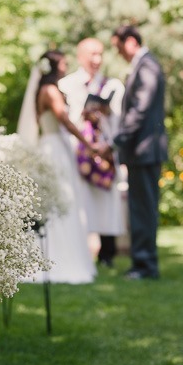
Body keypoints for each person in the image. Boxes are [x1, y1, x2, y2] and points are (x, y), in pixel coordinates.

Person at [17, 50, 96, 283]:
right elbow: (63, 119)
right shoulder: (50, 90)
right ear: (52, 66)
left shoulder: (49, 90)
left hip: (57, 146)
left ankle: (64, 256)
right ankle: (57, 260)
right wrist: (88, 144)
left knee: (65, 200)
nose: (66, 65)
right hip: (53, 148)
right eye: (63, 62)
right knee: (59, 201)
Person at [105, 25, 168, 280]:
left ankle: (145, 266)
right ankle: (142, 263)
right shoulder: (143, 66)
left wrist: (115, 141)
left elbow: (139, 110)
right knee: (139, 208)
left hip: (145, 151)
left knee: (143, 209)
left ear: (130, 41)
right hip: (140, 152)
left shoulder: (148, 66)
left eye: (118, 47)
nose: (118, 53)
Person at [59, 37, 125, 267]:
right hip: (78, 152)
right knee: (79, 201)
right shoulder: (67, 85)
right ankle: (80, 251)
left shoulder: (113, 86)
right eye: (91, 54)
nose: (97, 59)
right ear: (80, 56)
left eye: (100, 54)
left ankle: (108, 254)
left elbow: (119, 122)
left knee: (107, 201)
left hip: (104, 150)